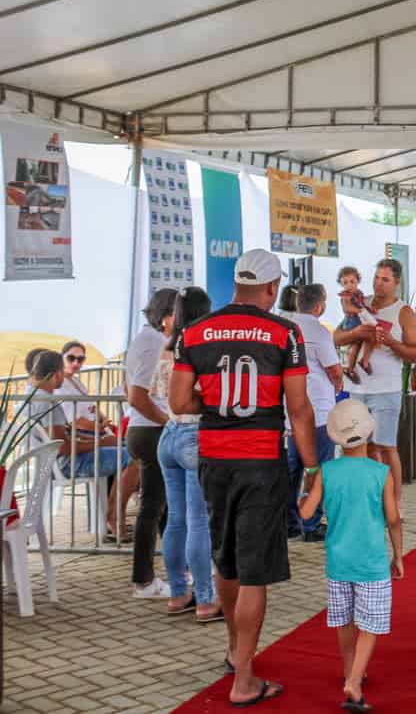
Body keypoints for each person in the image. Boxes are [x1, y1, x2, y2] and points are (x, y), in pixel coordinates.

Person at [168, 248, 319, 707]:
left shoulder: (194, 332)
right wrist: (312, 468)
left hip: (214, 460)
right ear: (272, 287)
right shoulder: (284, 333)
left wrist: (214, 403)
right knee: (255, 573)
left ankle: (236, 650)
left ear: (237, 283)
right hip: (261, 461)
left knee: (227, 560)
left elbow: (179, 402)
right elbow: (299, 408)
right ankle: (245, 680)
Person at [299, 398, 405, 713]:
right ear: (368, 431)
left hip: (338, 561)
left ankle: (350, 670)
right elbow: (393, 519)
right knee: (370, 624)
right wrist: (398, 555)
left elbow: (306, 513)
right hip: (371, 562)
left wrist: (307, 484)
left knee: (344, 620)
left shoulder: (327, 471)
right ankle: (354, 681)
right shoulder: (381, 473)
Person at [152, 286, 223, 622]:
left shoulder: (167, 348)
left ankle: (178, 593)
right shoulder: (200, 348)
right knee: (198, 522)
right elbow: (208, 394)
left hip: (168, 434)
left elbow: (156, 391)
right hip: (195, 435)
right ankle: (206, 599)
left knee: (176, 520)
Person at [335, 258, 416, 508]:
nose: (379, 283)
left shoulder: (404, 312)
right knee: (360, 447)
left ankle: (395, 504)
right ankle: (371, 501)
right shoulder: (361, 303)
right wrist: (355, 333)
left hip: (386, 390)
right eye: (376, 278)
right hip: (356, 389)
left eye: (385, 279)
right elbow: (337, 337)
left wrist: (392, 342)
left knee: (386, 447)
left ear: (396, 282)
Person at [21, 350, 135, 539]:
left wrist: (100, 442)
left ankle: (110, 514)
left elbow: (64, 439)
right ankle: (114, 515)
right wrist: (101, 442)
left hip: (52, 461)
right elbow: (65, 448)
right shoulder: (47, 404)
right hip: (67, 464)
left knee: (125, 447)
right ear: (56, 375)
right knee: (134, 457)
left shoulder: (29, 395)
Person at [126, 287, 178, 596]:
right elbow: (137, 395)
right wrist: (166, 420)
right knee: (152, 507)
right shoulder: (152, 343)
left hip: (145, 429)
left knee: (163, 506)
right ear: (168, 316)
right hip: (150, 432)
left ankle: (178, 568)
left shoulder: (144, 339)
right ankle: (143, 580)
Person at [282, 284, 343, 542]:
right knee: (318, 469)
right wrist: (338, 384)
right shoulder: (318, 331)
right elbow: (334, 369)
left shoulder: (286, 328)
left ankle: (289, 523)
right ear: (319, 306)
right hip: (317, 411)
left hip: (291, 410)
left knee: (293, 468)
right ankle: (312, 523)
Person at [337, 266, 378, 383]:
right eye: (345, 283)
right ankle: (358, 364)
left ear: (357, 281)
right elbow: (347, 308)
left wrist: (369, 309)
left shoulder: (359, 294)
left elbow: (362, 305)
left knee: (362, 343)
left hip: (360, 320)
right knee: (363, 341)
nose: (349, 285)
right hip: (351, 322)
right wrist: (359, 311)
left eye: (352, 282)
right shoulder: (345, 296)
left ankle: (355, 366)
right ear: (341, 284)